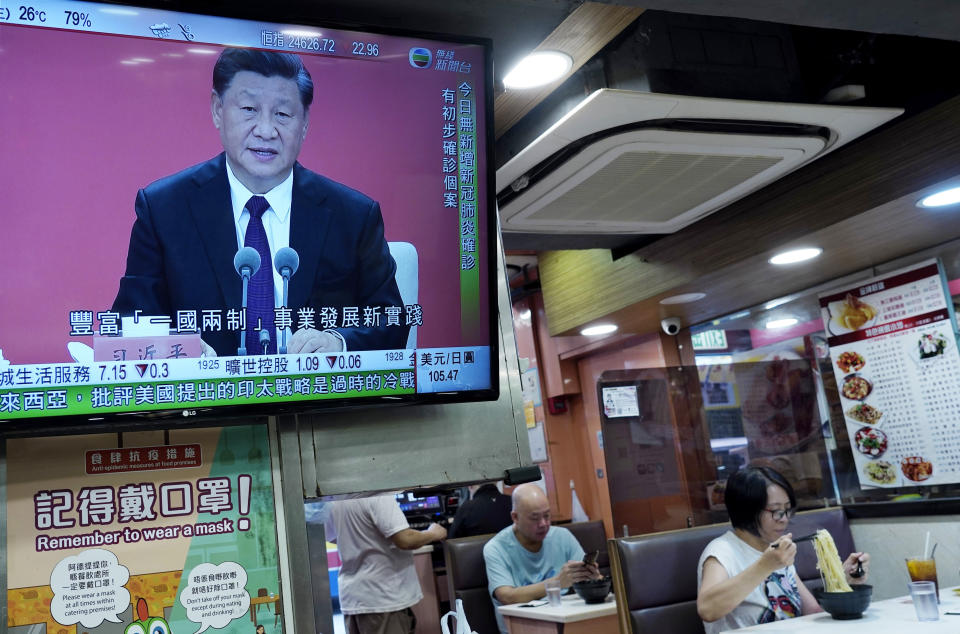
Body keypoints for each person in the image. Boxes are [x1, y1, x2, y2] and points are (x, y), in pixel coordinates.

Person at [112, 48, 407, 357]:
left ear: (304, 123)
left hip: (315, 401)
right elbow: (129, 322)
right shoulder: (164, 210)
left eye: (282, 114)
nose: (266, 131)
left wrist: (339, 342)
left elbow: (393, 321)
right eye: (249, 109)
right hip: (210, 402)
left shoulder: (353, 216)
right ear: (217, 109)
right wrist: (174, 347)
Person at [697, 466, 870, 633]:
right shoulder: (722, 551)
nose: (784, 519)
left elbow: (813, 612)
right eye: (775, 511)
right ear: (746, 510)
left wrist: (844, 580)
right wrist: (765, 566)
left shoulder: (775, 548)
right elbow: (707, 609)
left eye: (787, 509)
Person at [483, 483, 600, 633]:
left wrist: (595, 579)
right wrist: (556, 582)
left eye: (547, 515)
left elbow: (590, 578)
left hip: (566, 622)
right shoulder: (496, 548)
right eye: (535, 518)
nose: (543, 524)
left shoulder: (562, 536)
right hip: (523, 628)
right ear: (515, 517)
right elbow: (506, 596)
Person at [326, 495, 446, 634]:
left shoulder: (336, 499)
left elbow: (334, 537)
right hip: (383, 599)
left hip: (353, 599)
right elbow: (405, 540)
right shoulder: (377, 495)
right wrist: (432, 533)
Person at [447, 481, 512, 539]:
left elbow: (452, 538)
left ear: (470, 486)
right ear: (496, 482)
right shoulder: (512, 501)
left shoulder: (466, 508)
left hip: (478, 552)